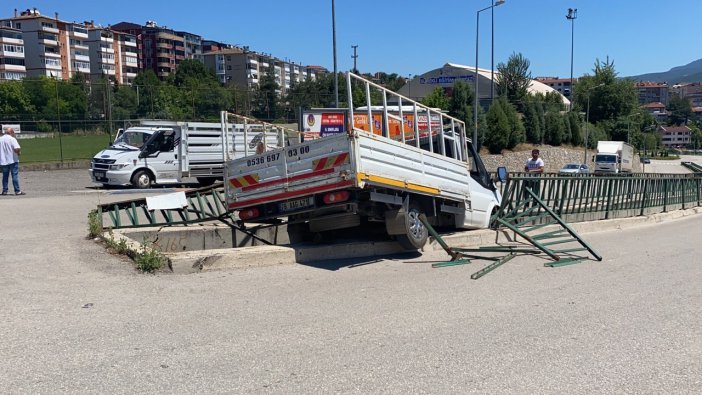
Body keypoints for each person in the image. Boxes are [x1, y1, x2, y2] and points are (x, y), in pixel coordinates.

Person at [0, 127, 25, 196]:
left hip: (3, 160)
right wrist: (18, 152)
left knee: (5, 176)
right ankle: (17, 191)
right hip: (13, 160)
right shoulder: (12, 139)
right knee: (14, 175)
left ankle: (4, 191)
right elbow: (17, 148)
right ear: (11, 132)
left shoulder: (0, 139)